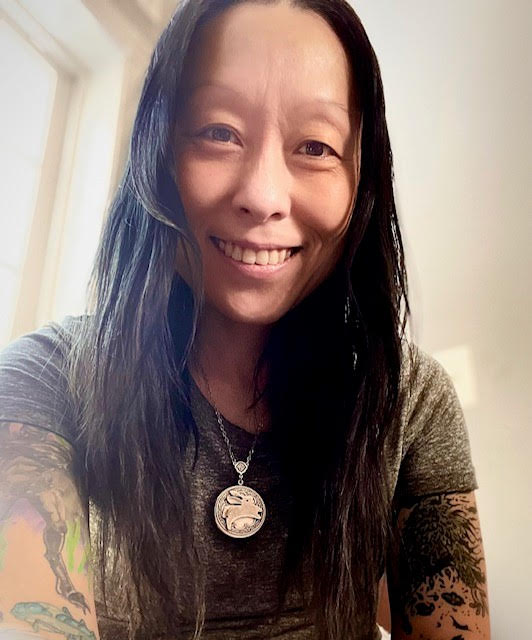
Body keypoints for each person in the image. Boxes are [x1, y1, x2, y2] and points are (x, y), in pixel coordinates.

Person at [0, 1, 490, 639]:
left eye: (315, 146)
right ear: (157, 152)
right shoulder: (43, 387)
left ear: (361, 181)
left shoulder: (410, 402)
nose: (262, 196)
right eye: (218, 132)